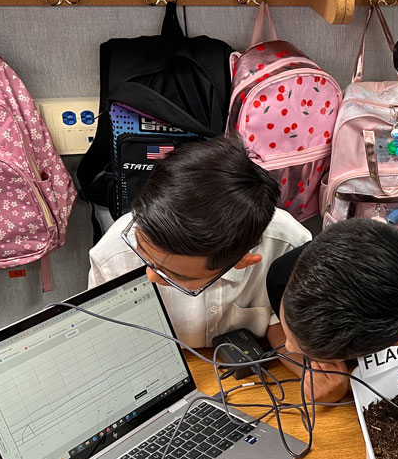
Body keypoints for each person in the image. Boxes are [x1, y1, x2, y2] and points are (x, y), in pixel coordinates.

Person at [88, 135, 311, 348]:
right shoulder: (111, 255)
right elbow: (106, 338)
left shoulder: (290, 246)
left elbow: (284, 320)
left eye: (174, 275)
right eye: (142, 251)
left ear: (242, 261)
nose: (151, 275)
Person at [265, 218, 398, 403]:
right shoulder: (283, 273)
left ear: (395, 342)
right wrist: (307, 370)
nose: (288, 346)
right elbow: (276, 331)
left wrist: (346, 386)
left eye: (305, 349)